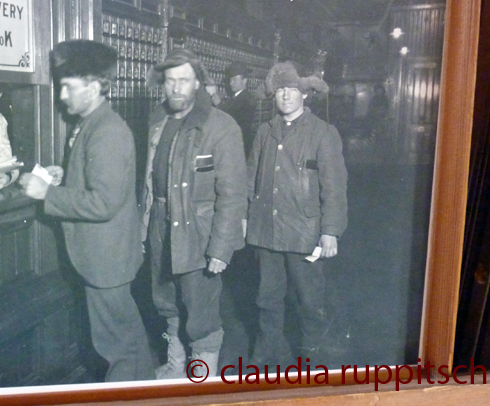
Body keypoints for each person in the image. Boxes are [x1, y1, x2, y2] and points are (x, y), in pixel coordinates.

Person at [20, 40, 154, 383]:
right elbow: (98, 182)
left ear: (93, 88)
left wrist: (48, 194)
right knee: (124, 341)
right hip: (103, 258)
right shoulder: (91, 123)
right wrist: (66, 178)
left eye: (68, 87)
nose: (62, 95)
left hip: (106, 260)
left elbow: (104, 203)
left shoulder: (106, 130)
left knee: (119, 348)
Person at [142, 49, 247, 379]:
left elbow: (232, 193)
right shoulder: (158, 120)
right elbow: (147, 181)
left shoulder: (221, 126)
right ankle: (176, 367)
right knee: (167, 302)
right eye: (170, 81)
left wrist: (220, 248)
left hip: (199, 235)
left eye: (183, 80)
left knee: (200, 312)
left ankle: (201, 378)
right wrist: (143, 231)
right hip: (162, 227)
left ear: (198, 83)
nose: (175, 88)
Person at [245, 61, 348, 367]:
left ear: (305, 94)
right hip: (266, 230)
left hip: (304, 232)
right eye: (280, 90)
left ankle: (312, 354)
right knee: (267, 298)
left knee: (309, 299)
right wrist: (243, 218)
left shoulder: (323, 133)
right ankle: (266, 352)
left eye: (292, 90)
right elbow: (251, 178)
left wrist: (330, 230)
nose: (285, 96)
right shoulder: (265, 131)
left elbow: (334, 187)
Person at [220, 62, 258, 158]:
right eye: (230, 80)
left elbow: (230, 117)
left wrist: (217, 102)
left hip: (240, 145)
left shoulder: (247, 99)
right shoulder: (237, 98)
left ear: (244, 81)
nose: (231, 83)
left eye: (234, 80)